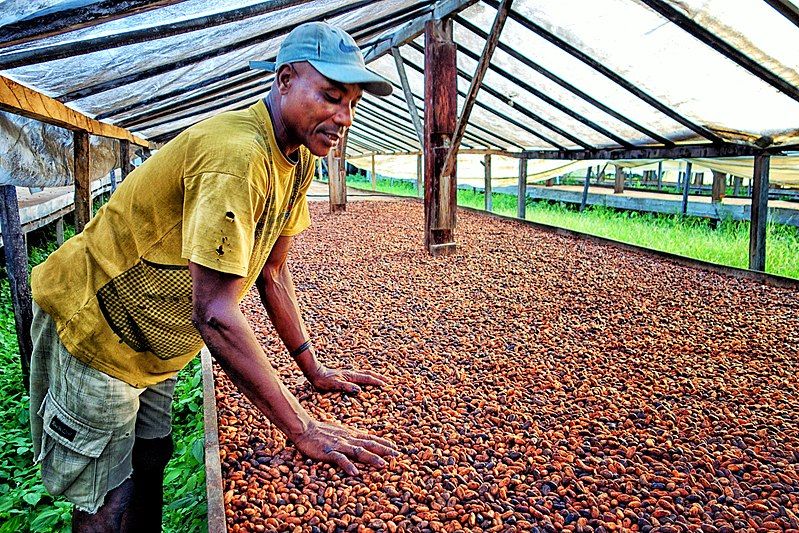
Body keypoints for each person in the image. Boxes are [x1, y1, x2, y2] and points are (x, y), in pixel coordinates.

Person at [29, 21, 397, 532]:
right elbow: (217, 316)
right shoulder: (237, 156)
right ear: (285, 79)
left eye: (352, 103)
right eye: (331, 97)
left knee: (151, 458)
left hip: (156, 341)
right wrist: (302, 427)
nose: (343, 117)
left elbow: (272, 269)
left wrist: (314, 371)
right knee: (106, 497)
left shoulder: (297, 155)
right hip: (100, 329)